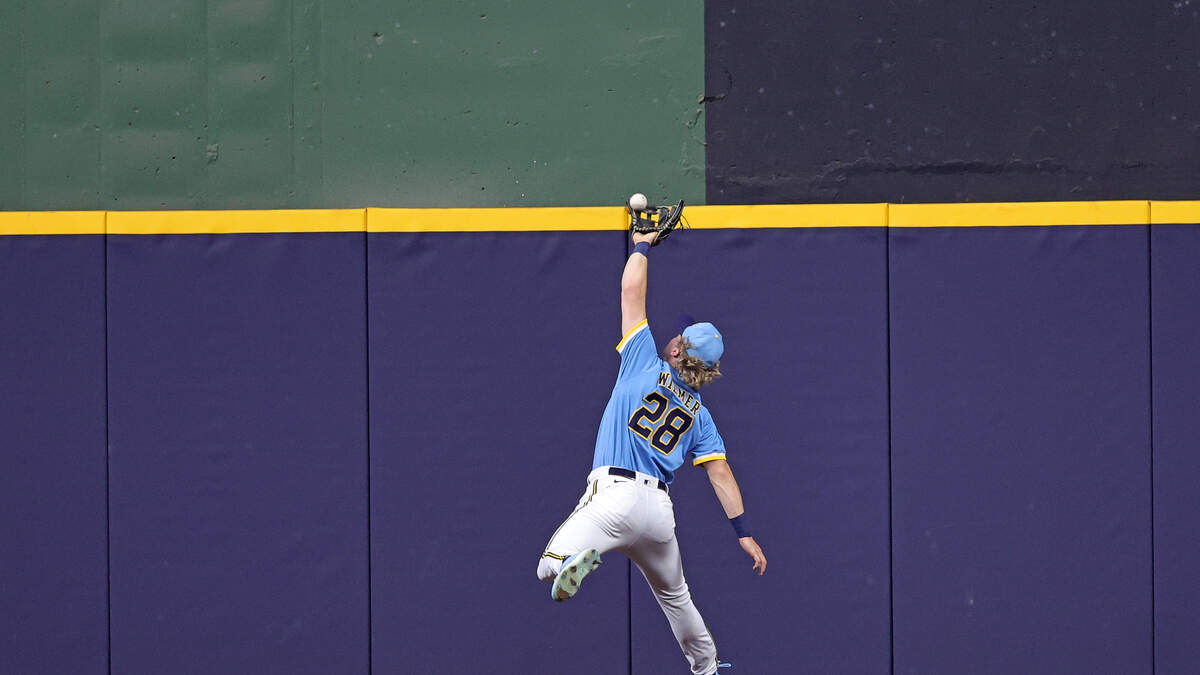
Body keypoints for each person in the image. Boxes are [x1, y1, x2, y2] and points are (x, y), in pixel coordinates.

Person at [536, 227, 767, 675]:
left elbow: (630, 289)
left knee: (549, 569)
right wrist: (743, 532)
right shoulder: (699, 413)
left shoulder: (644, 358)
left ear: (679, 349)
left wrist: (642, 244)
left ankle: (575, 560)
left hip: (615, 495)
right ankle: (707, 668)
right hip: (658, 512)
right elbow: (720, 474)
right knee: (676, 596)